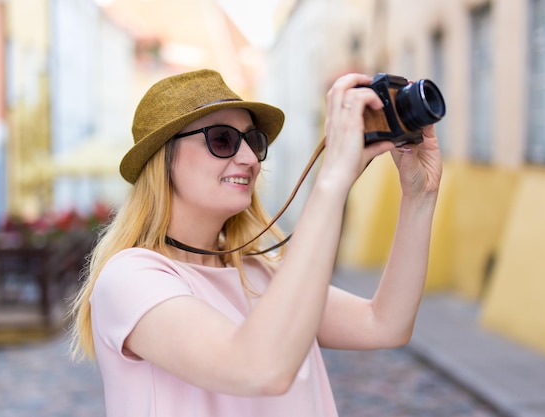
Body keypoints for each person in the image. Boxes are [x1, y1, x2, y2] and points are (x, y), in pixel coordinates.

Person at [69, 68, 442, 417]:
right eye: (222, 140)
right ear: (162, 160)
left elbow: (384, 323)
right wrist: (332, 179)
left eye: (254, 140)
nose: (249, 158)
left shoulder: (257, 273)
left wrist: (420, 196)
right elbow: (258, 368)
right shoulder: (132, 278)